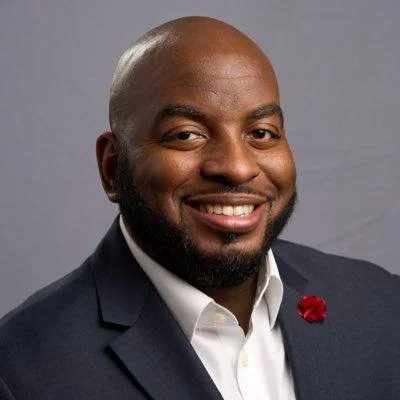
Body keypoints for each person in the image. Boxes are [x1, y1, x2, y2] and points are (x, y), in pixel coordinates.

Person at [0, 16, 399, 400]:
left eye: (261, 133)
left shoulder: (382, 305)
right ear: (112, 168)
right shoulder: (20, 371)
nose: (237, 167)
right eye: (186, 135)